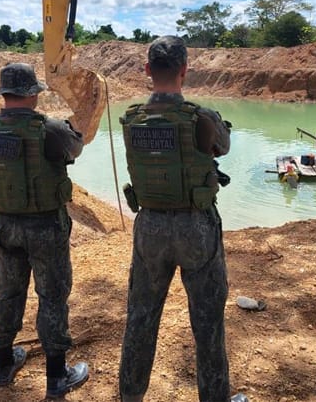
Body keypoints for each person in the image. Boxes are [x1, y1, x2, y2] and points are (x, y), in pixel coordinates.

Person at [118, 36, 248, 402]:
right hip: (196, 227)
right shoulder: (201, 117)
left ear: (147, 71)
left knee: (141, 318)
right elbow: (222, 146)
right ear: (184, 71)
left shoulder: (131, 119)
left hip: (150, 227)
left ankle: (130, 397)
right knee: (207, 323)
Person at [0, 62, 88, 399]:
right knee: (52, 296)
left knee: (9, 292)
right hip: (44, 228)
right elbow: (76, 148)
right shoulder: (49, 129)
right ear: (32, 94)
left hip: (5, 224)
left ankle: (4, 363)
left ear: (4, 93)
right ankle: (57, 376)